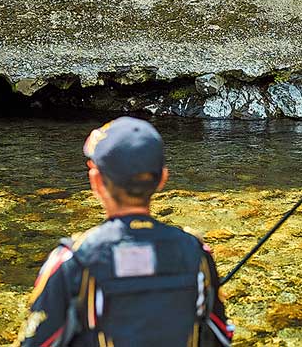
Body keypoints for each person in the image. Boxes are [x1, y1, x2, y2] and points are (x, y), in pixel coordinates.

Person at [15, 116, 234, 347]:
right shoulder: (196, 252)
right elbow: (222, 337)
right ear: (162, 179)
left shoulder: (73, 260)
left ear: (96, 180)